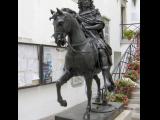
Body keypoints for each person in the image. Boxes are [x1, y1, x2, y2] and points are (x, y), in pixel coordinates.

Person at [76, 0, 115, 91]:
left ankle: (106, 78)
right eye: (83, 1)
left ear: (90, 2)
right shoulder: (78, 15)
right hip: (83, 38)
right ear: (80, 3)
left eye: (87, 1)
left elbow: (100, 25)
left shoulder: (95, 12)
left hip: (94, 36)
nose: (86, 2)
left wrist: (88, 27)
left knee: (101, 50)